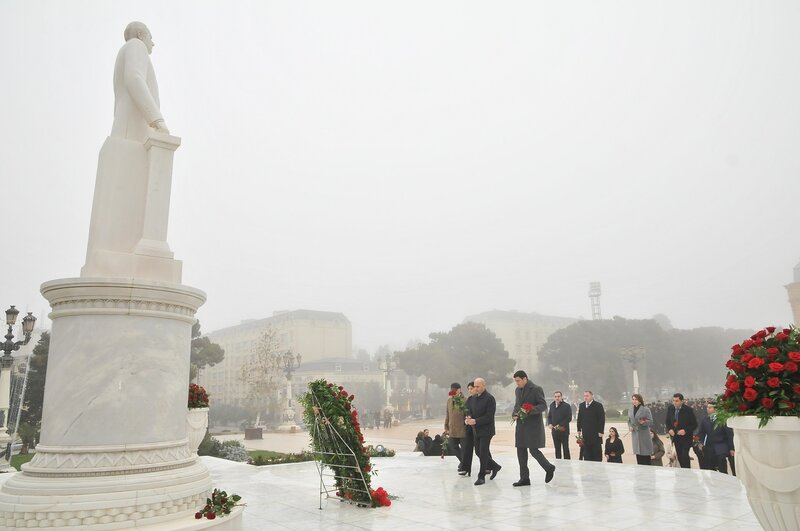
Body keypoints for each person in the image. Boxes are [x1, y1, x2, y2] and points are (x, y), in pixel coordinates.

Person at [112, 22, 169, 141]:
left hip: (124, 126)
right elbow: (134, 78)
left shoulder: (124, 51)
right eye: (150, 37)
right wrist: (157, 120)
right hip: (134, 131)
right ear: (140, 35)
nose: (153, 43)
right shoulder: (136, 45)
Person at [512, 371, 555, 486]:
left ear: (525, 379)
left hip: (533, 426)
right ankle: (524, 478)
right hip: (521, 425)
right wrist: (514, 414)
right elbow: (517, 405)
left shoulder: (536, 389)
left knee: (533, 450)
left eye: (518, 380)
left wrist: (529, 410)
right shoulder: (517, 390)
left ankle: (549, 468)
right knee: (520, 450)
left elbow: (543, 405)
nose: (517, 383)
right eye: (515, 381)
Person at [465, 378, 500, 485]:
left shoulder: (490, 399)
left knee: (483, 452)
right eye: (474, 386)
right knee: (478, 452)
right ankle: (495, 466)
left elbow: (489, 417)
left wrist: (475, 421)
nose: (475, 388)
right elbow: (468, 409)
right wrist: (468, 417)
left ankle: (481, 477)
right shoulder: (472, 399)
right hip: (476, 430)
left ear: (484, 386)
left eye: (478, 386)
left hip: (486, 430)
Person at [696, 402, 735, 474]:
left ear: (716, 409)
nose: (708, 409)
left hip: (721, 445)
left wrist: (731, 448)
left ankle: (724, 479)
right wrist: (700, 442)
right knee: (711, 466)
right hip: (710, 445)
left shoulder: (723, 419)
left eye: (710, 407)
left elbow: (729, 434)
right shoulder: (705, 420)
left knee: (722, 465)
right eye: (707, 407)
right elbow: (702, 432)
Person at [665, 393, 697, 468]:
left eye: (677, 401)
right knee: (680, 457)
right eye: (673, 401)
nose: (675, 403)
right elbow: (667, 422)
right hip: (676, 438)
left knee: (684, 455)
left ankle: (687, 472)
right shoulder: (670, 408)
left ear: (682, 401)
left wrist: (685, 430)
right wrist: (669, 429)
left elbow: (694, 424)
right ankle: (683, 472)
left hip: (686, 438)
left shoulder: (688, 410)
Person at [577, 390, 605, 462]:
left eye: (587, 396)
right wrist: (579, 429)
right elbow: (579, 418)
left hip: (596, 433)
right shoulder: (582, 405)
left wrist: (601, 431)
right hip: (586, 433)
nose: (585, 397)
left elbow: (602, 419)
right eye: (584, 396)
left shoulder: (598, 405)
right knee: (587, 454)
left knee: (596, 453)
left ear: (592, 396)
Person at [444, 383, 466, 473]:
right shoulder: (449, 401)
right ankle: (464, 462)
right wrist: (446, 427)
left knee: (464, 449)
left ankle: (464, 465)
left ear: (459, 390)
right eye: (452, 390)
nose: (453, 392)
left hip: (463, 429)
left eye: (455, 390)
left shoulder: (465, 400)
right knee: (453, 446)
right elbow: (447, 414)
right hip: (452, 429)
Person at [627, 393, 653, 465]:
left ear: (640, 401)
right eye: (633, 399)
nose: (634, 401)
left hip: (644, 435)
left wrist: (643, 422)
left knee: (645, 457)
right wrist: (630, 427)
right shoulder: (630, 409)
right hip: (635, 434)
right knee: (638, 457)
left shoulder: (645, 409)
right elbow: (629, 420)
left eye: (636, 399)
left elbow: (651, 421)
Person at [547, 390, 572, 460]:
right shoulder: (552, 405)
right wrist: (549, 423)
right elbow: (549, 416)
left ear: (561, 397)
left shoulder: (566, 406)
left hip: (564, 431)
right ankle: (558, 464)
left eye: (558, 396)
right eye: (555, 397)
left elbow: (569, 418)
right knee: (557, 449)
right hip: (555, 432)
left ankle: (567, 464)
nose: (557, 398)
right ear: (554, 397)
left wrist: (559, 425)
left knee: (565, 449)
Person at [459, 382, 477, 477]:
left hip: (479, 427)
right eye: (468, 389)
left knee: (481, 450)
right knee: (466, 447)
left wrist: (474, 419)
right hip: (469, 427)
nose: (470, 390)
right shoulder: (469, 400)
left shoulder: (481, 399)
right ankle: (465, 468)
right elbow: (466, 411)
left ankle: (489, 465)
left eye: (471, 388)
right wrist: (468, 417)